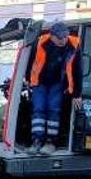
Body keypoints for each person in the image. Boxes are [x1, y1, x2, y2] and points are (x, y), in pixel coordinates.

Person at [26, 21, 82, 153]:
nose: (63, 40)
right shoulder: (41, 43)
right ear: (52, 36)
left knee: (53, 110)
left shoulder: (74, 44)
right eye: (60, 37)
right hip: (39, 82)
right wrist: (28, 79)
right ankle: (37, 141)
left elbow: (78, 70)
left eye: (65, 36)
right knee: (38, 109)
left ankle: (51, 142)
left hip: (58, 83)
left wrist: (77, 94)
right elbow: (30, 62)